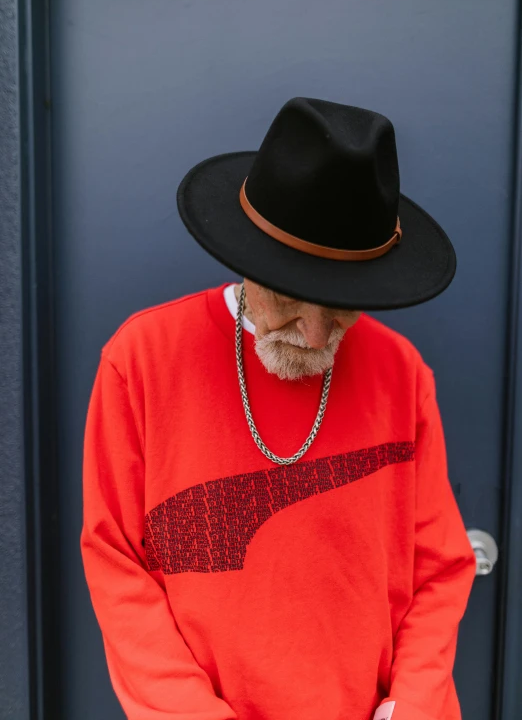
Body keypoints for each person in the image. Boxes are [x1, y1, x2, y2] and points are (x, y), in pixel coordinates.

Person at [80, 97, 476, 720]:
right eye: (294, 297)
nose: (317, 336)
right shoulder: (141, 359)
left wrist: (414, 705)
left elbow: (442, 565)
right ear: (247, 261)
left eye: (342, 305)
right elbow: (116, 561)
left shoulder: (403, 372)